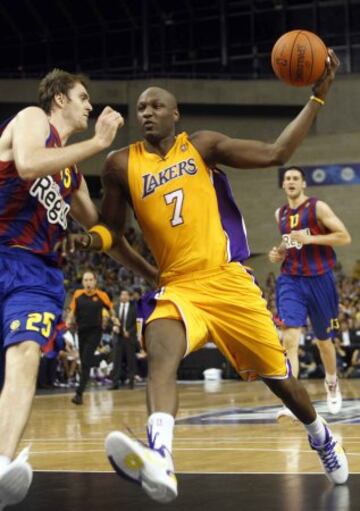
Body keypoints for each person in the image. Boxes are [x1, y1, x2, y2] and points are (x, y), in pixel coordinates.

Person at [101, 50, 348, 504]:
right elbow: (112, 237)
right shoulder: (120, 165)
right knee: (159, 350)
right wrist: (152, 274)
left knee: (281, 380)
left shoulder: (201, 145)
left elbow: (277, 152)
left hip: (228, 281)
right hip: (178, 287)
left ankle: (320, 435)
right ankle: (162, 459)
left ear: (176, 114)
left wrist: (318, 97)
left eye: (157, 106)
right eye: (141, 108)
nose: (147, 113)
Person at [0, 68, 157, 509]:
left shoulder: (70, 176)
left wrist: (151, 273)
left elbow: (107, 234)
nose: (90, 105)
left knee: (25, 352)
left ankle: (1, 462)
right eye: (83, 96)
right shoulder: (33, 119)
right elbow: (28, 162)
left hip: (36, 273)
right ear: (59, 99)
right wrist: (98, 145)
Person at [268, 166, 351, 420]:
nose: (291, 181)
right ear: (283, 185)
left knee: (324, 342)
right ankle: (293, 400)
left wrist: (311, 239)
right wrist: (279, 252)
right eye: (287, 179)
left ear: (303, 183)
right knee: (289, 337)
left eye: (295, 178)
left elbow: (344, 237)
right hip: (291, 279)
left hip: (320, 280)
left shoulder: (318, 207)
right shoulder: (279, 213)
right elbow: (290, 241)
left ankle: (331, 382)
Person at [67, 271, 115, 404]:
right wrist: (68, 320)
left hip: (95, 332)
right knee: (84, 363)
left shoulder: (102, 295)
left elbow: (111, 310)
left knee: (86, 360)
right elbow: (72, 311)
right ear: (83, 282)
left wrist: (115, 319)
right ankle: (98, 363)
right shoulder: (78, 294)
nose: (88, 283)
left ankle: (78, 394)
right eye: (86, 280)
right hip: (81, 332)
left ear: (95, 281)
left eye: (90, 280)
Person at [110, 289, 138, 390]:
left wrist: (129, 332)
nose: (124, 296)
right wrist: (114, 327)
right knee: (116, 361)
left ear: (129, 297)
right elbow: (111, 321)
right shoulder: (116, 307)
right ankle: (115, 383)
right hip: (118, 338)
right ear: (120, 296)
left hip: (129, 338)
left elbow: (136, 323)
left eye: (126, 294)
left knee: (131, 361)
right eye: (122, 294)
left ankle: (131, 382)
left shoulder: (133, 308)